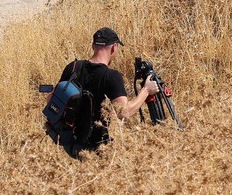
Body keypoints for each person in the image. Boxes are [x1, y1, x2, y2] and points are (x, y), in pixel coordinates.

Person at [50, 27, 160, 156]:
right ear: (113, 48)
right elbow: (124, 113)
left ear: (93, 46)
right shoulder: (111, 76)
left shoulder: (73, 67)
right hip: (96, 150)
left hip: (68, 144)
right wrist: (146, 90)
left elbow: (51, 99)